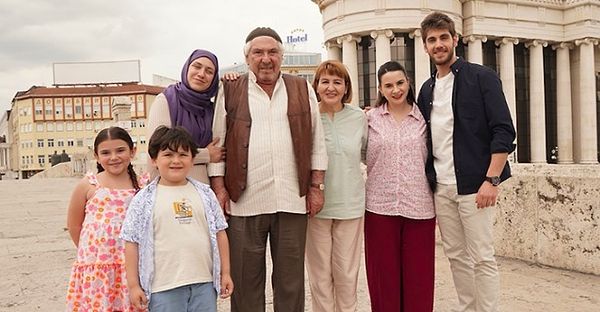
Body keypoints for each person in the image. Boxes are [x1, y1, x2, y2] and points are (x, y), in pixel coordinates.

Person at [208, 27, 328, 312]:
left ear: (281, 57)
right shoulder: (232, 89)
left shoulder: (301, 88)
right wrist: (220, 188)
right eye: (258, 53)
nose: (266, 58)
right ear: (247, 58)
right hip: (244, 200)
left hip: (292, 198)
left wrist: (316, 187)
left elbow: (317, 141)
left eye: (272, 52)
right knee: (246, 281)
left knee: (290, 281)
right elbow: (218, 140)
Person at [417, 12, 516, 312]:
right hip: (442, 187)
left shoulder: (481, 77)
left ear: (455, 39)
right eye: (432, 40)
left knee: (482, 257)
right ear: (425, 46)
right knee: (457, 257)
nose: (438, 44)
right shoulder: (427, 89)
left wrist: (492, 180)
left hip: (476, 186)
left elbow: (503, 129)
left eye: (443, 38)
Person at [120, 126, 233, 311]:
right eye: (168, 155)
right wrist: (133, 285)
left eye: (183, 154)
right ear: (154, 159)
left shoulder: (205, 193)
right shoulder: (143, 199)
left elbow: (220, 233)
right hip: (163, 289)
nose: (176, 161)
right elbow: (131, 242)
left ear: (193, 159)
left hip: (204, 284)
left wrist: (226, 273)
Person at [364, 61, 436, 311]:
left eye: (400, 83)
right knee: (383, 280)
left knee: (419, 281)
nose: (396, 90)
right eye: (389, 85)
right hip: (379, 208)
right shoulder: (369, 119)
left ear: (408, 83)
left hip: (420, 208)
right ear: (380, 89)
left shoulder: (425, 119)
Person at [305, 60, 367, 312]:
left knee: (346, 275)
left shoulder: (360, 117)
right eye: (325, 81)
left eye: (337, 82)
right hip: (315, 208)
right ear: (316, 86)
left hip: (351, 205)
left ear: (346, 87)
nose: (331, 87)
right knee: (320, 276)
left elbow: (368, 153)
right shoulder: (307, 116)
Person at [66, 126, 147, 311]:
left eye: (120, 150)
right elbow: (73, 224)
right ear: (96, 156)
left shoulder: (143, 185)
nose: (113, 157)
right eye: (105, 152)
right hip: (96, 267)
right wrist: (91, 253)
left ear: (132, 151)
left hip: (132, 266)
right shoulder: (88, 184)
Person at [146, 49, 225, 183]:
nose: (201, 74)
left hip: (204, 190)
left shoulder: (211, 109)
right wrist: (206, 154)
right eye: (197, 66)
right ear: (187, 68)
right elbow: (156, 150)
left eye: (209, 71)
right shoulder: (166, 100)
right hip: (173, 187)